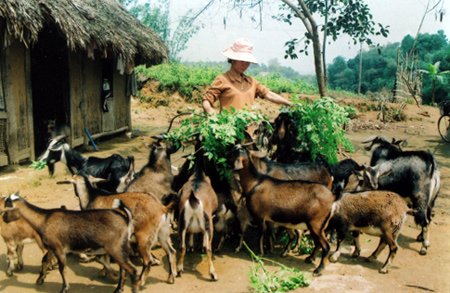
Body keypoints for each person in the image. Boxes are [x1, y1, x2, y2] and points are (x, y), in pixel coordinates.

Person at [202, 38, 292, 115]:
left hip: (249, 131)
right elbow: (207, 100)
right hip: (228, 130)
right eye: (242, 61)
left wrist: (289, 104)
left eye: (247, 61)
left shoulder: (251, 82)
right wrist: (209, 110)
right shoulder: (222, 80)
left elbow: (269, 94)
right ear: (233, 60)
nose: (245, 65)